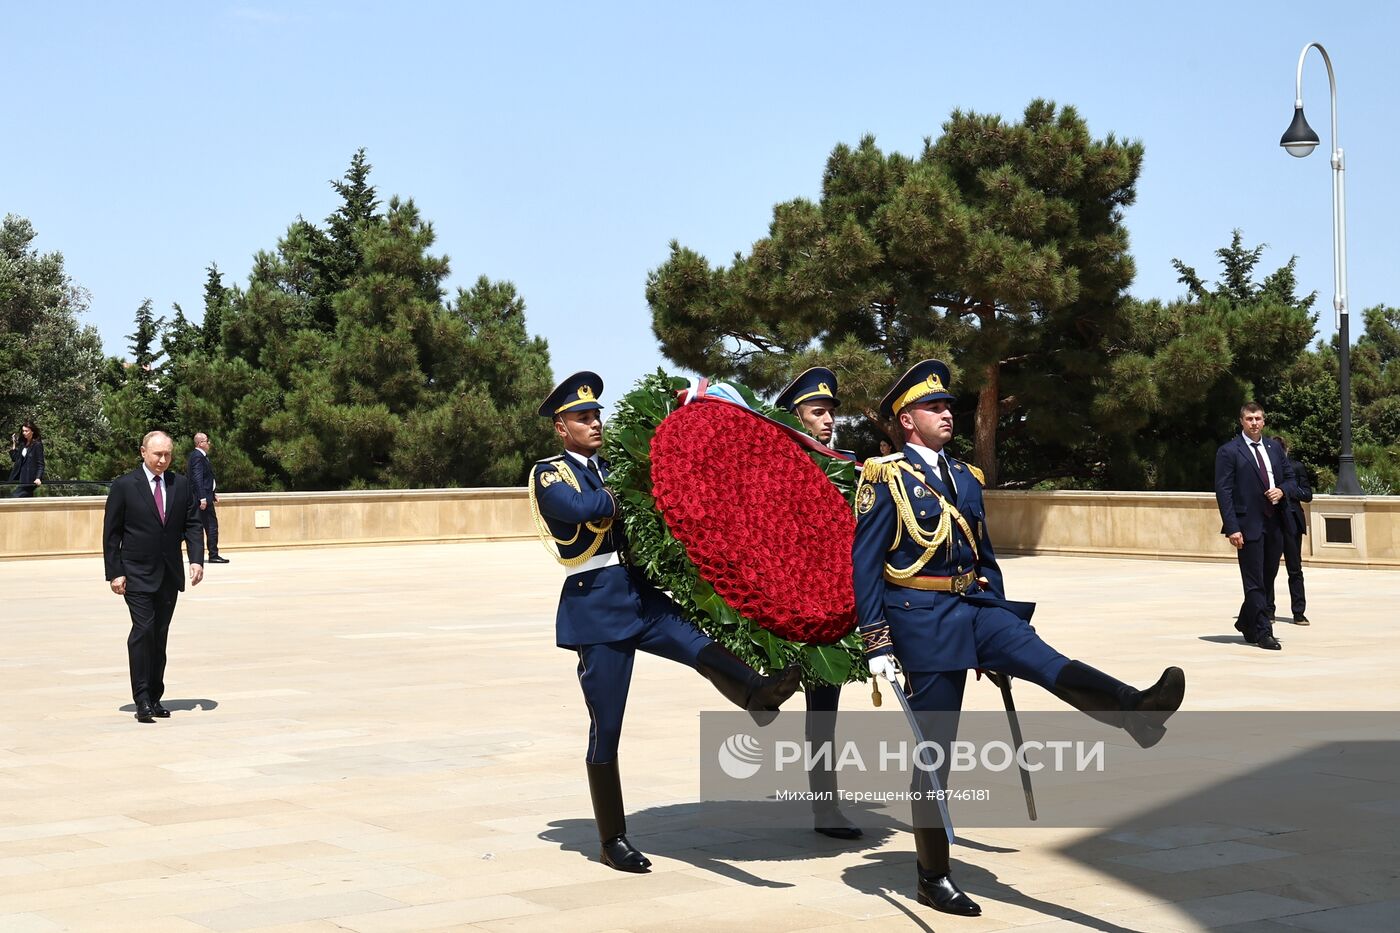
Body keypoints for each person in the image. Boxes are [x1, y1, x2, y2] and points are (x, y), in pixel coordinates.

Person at [852, 360, 1186, 917]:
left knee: (1045, 659)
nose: (947, 413)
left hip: (977, 606)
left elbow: (984, 555)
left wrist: (1001, 614)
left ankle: (1133, 707)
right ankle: (932, 875)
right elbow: (865, 567)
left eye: (948, 406)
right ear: (906, 421)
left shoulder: (964, 477)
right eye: (934, 408)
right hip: (921, 618)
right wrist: (878, 643)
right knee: (936, 752)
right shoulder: (884, 477)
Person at [530, 372, 802, 874]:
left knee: (696, 642)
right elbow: (580, 507)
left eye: (596, 415)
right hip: (596, 606)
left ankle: (759, 694)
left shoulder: (615, 466)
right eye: (582, 418)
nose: (593, 423)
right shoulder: (550, 474)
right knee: (606, 726)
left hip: (640, 595)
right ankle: (613, 839)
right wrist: (625, 493)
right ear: (561, 428)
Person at [773, 366, 862, 840]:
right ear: (796, 417)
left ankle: (825, 808)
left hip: (841, 604)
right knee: (806, 704)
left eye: (831, 413)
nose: (828, 421)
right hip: (791, 603)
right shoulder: (777, 464)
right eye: (818, 412)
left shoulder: (849, 464)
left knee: (824, 708)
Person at [103, 431, 204, 723]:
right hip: (135, 573)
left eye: (168, 455)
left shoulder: (181, 485)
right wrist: (115, 572)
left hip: (168, 575)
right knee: (143, 631)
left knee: (159, 636)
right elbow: (112, 533)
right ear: (143, 452)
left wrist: (196, 560)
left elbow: (192, 525)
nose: (163, 460)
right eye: (157, 454)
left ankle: (156, 697)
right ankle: (142, 698)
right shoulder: (124, 486)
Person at [1214, 404, 1297, 650]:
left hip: (1275, 523)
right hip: (1247, 524)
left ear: (1264, 421)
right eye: (1249, 418)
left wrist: (1281, 490)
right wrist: (1232, 527)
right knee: (1253, 581)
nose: (1254, 423)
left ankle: (1244, 620)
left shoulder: (1274, 448)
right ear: (1241, 421)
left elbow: (1292, 480)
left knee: (1267, 578)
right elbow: (1224, 491)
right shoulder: (1229, 451)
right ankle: (1263, 631)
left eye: (1258, 418)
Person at [1273, 435, 1312, 626]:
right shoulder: (1264, 469)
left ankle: (1299, 612)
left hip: (1292, 522)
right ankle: (1267, 610)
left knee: (1294, 568)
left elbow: (1308, 495)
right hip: (1271, 521)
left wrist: (1288, 489)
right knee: (1267, 569)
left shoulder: (1296, 467)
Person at [187, 432, 229, 563]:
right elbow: (197, 478)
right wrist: (202, 498)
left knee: (208, 526)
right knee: (210, 526)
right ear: (200, 443)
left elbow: (206, 478)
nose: (209, 443)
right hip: (202, 499)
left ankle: (211, 554)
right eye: (207, 441)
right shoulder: (198, 457)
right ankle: (213, 555)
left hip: (206, 496)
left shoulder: (200, 456)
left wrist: (213, 492)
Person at [8, 420, 45, 497]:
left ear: (32, 431)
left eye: (26, 431)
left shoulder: (37, 445)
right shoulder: (23, 444)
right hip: (21, 479)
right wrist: (14, 443)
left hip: (30, 480)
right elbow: (15, 458)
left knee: (13, 497)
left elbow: (41, 464)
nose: (24, 433)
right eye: (23, 431)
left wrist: (38, 478)